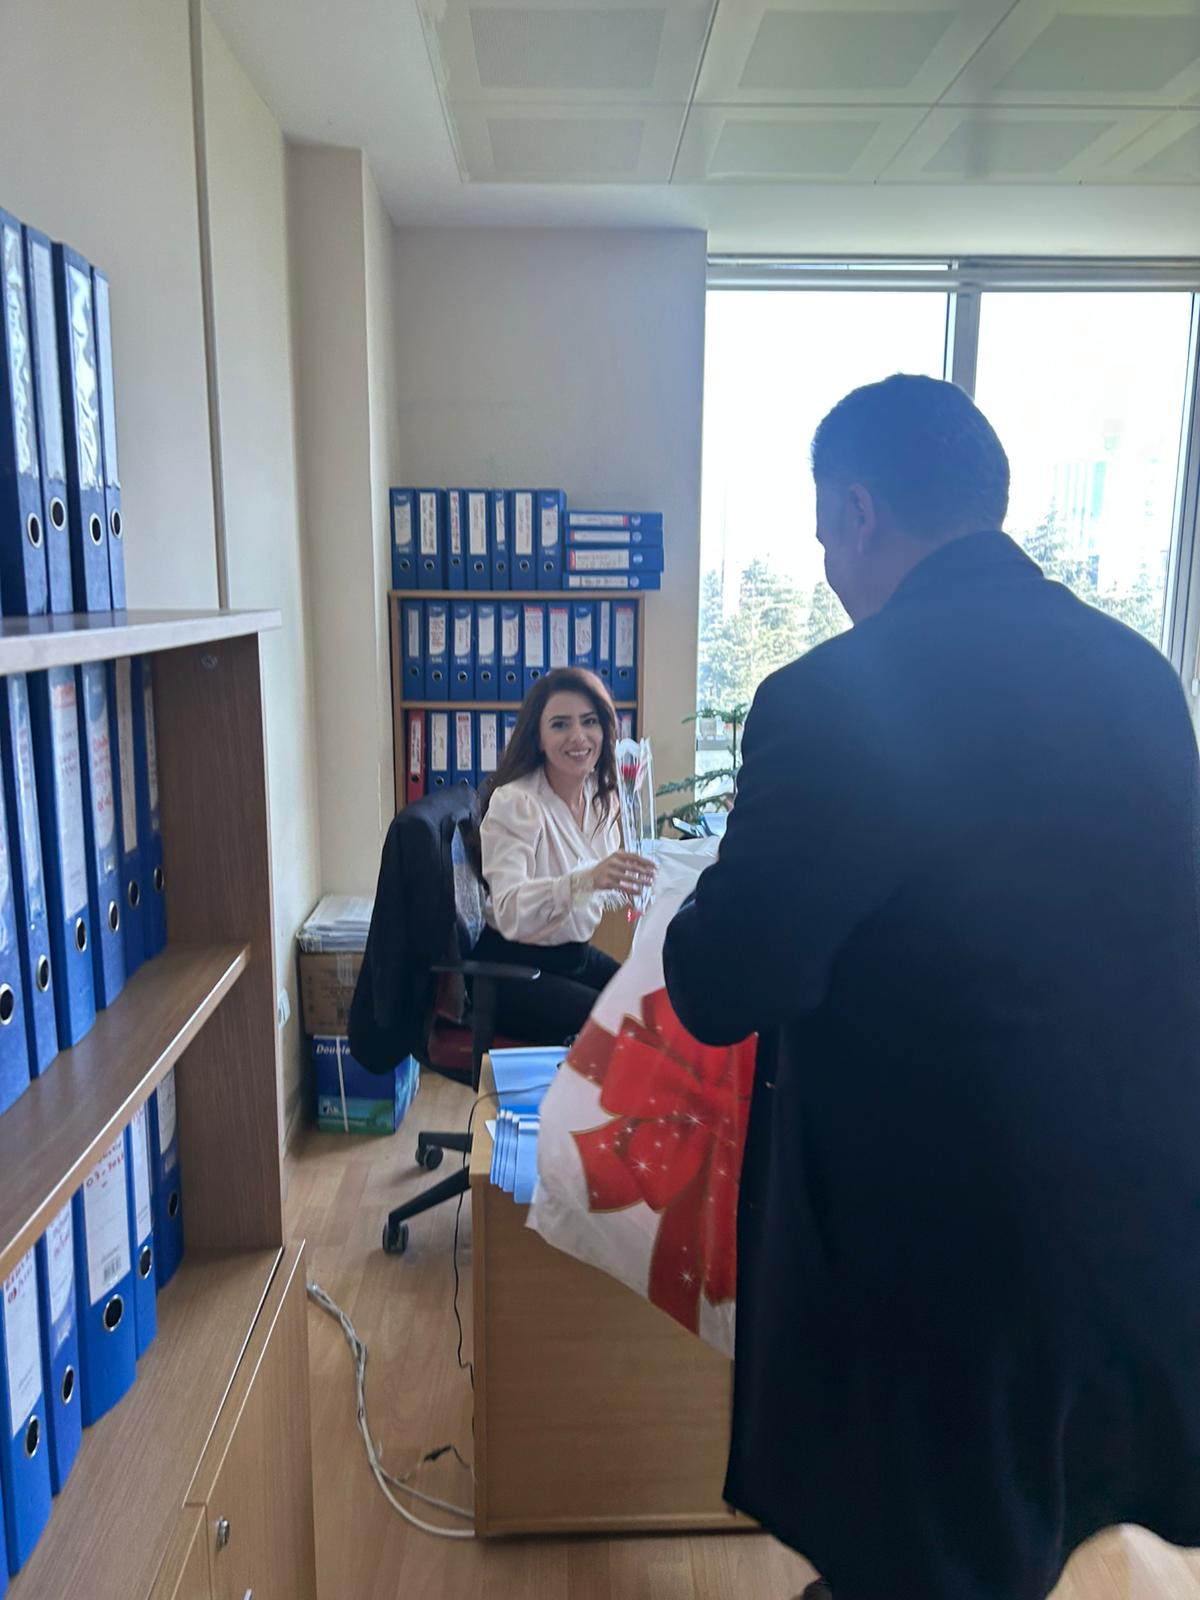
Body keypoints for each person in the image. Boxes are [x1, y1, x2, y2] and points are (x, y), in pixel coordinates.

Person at [663, 374, 1200, 1600]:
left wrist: (690, 903)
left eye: (822, 532)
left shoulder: (835, 698)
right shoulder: (1140, 677)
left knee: (932, 1534)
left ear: (857, 510)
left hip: (946, 1229)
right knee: (1038, 1505)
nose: (827, 566)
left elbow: (726, 981)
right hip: (1136, 1204)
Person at [474, 666, 654, 1044]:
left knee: (651, 1008)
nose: (578, 736)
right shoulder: (516, 803)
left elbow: (600, 887)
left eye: (589, 721)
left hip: (573, 957)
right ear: (538, 738)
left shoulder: (602, 797)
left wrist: (639, 879)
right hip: (512, 970)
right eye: (560, 724)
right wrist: (587, 880)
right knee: (624, 1032)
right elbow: (509, 909)